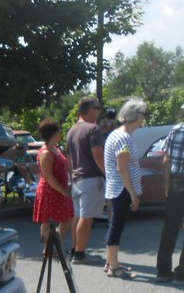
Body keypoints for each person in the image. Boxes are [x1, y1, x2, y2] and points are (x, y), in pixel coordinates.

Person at [103, 98, 146, 279]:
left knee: (115, 225)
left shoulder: (116, 134)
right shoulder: (124, 138)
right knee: (116, 227)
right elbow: (122, 168)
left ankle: (110, 262)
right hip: (121, 189)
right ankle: (114, 267)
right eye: (143, 115)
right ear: (136, 117)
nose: (144, 119)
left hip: (115, 187)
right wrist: (133, 193)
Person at [66, 96, 106, 263]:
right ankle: (80, 255)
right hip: (91, 179)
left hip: (76, 179)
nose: (99, 111)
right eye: (97, 108)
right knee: (87, 217)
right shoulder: (93, 129)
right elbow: (98, 156)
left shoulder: (71, 130)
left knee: (78, 216)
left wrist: (72, 177)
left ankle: (75, 250)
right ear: (90, 110)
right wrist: (108, 175)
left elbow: (68, 159)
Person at [154, 104, 184, 283]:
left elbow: (165, 159)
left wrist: (167, 185)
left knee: (170, 227)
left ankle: (163, 271)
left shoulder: (175, 129)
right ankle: (182, 273)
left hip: (174, 181)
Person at [33, 118, 73, 250]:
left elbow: (65, 165)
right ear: (54, 133)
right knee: (48, 221)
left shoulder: (56, 148)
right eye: (60, 131)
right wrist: (63, 190)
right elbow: (48, 176)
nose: (61, 133)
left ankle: (58, 244)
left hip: (61, 189)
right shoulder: (45, 152)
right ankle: (47, 248)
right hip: (50, 192)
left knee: (67, 217)